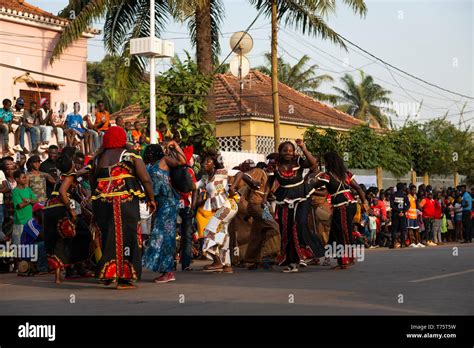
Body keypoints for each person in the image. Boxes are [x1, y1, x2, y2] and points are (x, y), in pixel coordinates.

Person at [90, 126, 156, 289]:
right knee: (129, 236)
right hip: (125, 200)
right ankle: (124, 278)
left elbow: (93, 184)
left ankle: (108, 273)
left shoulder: (97, 159)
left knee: (108, 235)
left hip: (102, 202)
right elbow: (145, 179)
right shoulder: (129, 155)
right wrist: (151, 199)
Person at [264, 140, 321, 272]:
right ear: (280, 151)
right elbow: (270, 181)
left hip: (301, 194)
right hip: (284, 196)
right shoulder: (274, 164)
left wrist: (303, 148)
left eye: (291, 151)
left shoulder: (298, 160)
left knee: (299, 223)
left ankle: (303, 253)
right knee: (286, 228)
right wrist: (264, 197)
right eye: (285, 151)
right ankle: (292, 260)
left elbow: (313, 163)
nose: (288, 153)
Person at [307, 152, 367, 269]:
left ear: (329, 163)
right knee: (338, 232)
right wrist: (364, 202)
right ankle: (345, 258)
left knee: (342, 233)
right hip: (350, 205)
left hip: (343, 207)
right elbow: (359, 188)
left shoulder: (327, 176)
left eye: (325, 162)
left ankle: (344, 261)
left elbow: (314, 186)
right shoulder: (346, 174)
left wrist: (304, 187)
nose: (324, 164)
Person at [44, 152, 92, 284]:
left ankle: (59, 276)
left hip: (48, 209)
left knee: (57, 241)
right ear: (71, 165)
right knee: (83, 234)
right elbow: (62, 192)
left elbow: (80, 174)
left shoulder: (62, 176)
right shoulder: (70, 176)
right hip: (59, 209)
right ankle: (77, 266)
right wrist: (72, 210)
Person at [192, 149, 243, 273]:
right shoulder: (205, 179)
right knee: (224, 235)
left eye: (208, 161)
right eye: (204, 161)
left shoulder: (220, 172)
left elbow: (239, 173)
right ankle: (227, 265)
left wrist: (234, 186)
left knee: (209, 230)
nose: (205, 163)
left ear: (214, 163)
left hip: (228, 205)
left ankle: (217, 261)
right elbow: (193, 186)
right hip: (220, 208)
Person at [142, 142, 186, 282]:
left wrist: (176, 146)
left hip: (169, 203)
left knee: (165, 237)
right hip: (160, 204)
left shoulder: (164, 160)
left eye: (148, 153)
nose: (146, 155)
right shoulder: (150, 166)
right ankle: (164, 270)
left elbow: (182, 162)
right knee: (159, 236)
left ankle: (168, 272)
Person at [243, 154, 281, 269]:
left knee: (258, 232)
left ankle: (253, 260)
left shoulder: (273, 178)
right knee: (273, 227)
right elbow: (243, 176)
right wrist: (253, 183)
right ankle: (267, 256)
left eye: (275, 164)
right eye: (271, 163)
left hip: (263, 207)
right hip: (257, 205)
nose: (272, 166)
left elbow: (274, 194)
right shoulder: (260, 171)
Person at [18, 203, 48, 275]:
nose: (44, 213)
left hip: (35, 248)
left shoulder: (42, 223)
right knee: (45, 244)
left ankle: (49, 266)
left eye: (44, 211)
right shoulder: (31, 223)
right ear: (36, 213)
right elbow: (42, 236)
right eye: (42, 211)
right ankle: (42, 268)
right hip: (26, 251)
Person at [12, 170, 38, 246]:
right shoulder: (15, 191)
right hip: (20, 222)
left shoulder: (28, 189)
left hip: (30, 221)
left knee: (28, 244)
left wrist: (27, 200)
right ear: (17, 179)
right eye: (23, 178)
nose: (25, 179)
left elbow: (35, 201)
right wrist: (29, 201)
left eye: (26, 177)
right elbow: (20, 205)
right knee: (18, 245)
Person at [390, 183, 410, 248]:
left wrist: (398, 211)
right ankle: (403, 243)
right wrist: (403, 211)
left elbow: (392, 205)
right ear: (402, 188)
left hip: (395, 214)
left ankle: (393, 243)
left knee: (394, 229)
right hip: (402, 214)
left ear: (397, 187)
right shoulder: (404, 196)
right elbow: (408, 205)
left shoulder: (393, 195)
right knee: (402, 229)